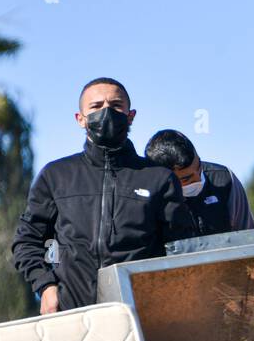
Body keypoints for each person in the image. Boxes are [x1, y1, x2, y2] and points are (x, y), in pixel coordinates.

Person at [11, 77, 194, 313]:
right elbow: (27, 241)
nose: (106, 112)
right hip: (71, 315)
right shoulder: (56, 175)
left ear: (131, 115)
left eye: (116, 105)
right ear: (80, 119)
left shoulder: (158, 178)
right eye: (96, 107)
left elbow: (180, 249)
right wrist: (45, 287)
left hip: (141, 315)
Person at [143, 129, 254, 236]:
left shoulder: (225, 179)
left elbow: (247, 237)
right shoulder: (145, 196)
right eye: (187, 179)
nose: (199, 179)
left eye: (199, 167)